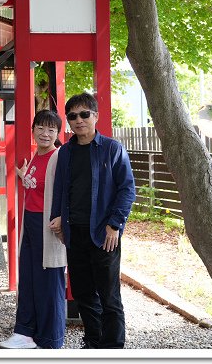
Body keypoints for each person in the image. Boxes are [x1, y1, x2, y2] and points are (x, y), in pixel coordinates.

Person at [49, 92, 136, 349]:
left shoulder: (111, 149)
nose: (79, 120)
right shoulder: (65, 153)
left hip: (104, 232)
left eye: (84, 114)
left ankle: (113, 347)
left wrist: (115, 224)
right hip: (75, 233)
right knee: (84, 293)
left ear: (95, 116)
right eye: (73, 116)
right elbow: (60, 190)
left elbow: (127, 189)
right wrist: (59, 221)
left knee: (109, 295)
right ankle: (93, 342)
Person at [0, 110, 67, 349]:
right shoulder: (36, 156)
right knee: (28, 279)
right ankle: (24, 333)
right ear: (33, 130)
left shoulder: (59, 158)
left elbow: (66, 193)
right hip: (31, 222)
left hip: (49, 227)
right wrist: (22, 175)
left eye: (51, 129)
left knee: (48, 281)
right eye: (40, 128)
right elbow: (35, 185)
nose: (45, 133)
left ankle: (50, 338)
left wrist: (62, 219)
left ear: (57, 133)